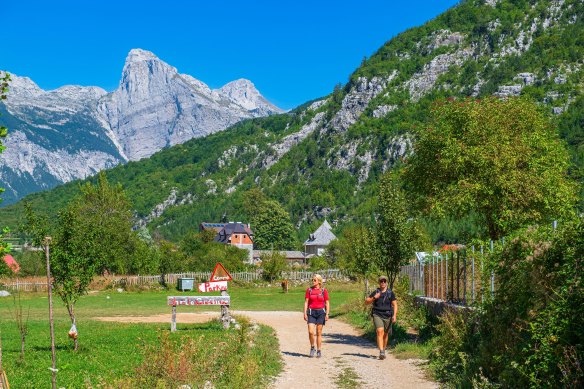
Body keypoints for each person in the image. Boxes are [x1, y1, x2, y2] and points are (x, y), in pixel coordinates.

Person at [365, 275, 397, 360]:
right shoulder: (376, 292)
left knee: (385, 334)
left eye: (384, 281)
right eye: (381, 281)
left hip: (388, 315)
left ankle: (383, 349)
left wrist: (394, 315)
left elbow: (395, 305)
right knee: (380, 331)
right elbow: (367, 302)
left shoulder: (390, 293)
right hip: (377, 314)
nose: (383, 283)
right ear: (379, 283)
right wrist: (374, 297)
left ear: (386, 283)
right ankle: (381, 351)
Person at [303, 274, 330, 358]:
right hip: (311, 312)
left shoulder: (323, 291)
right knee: (311, 331)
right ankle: (312, 347)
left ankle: (319, 350)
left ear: (319, 281)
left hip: (321, 313)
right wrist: (304, 313)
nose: (313, 281)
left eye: (315, 280)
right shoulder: (309, 290)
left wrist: (327, 314)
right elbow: (306, 302)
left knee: (319, 332)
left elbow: (327, 303)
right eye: (312, 280)